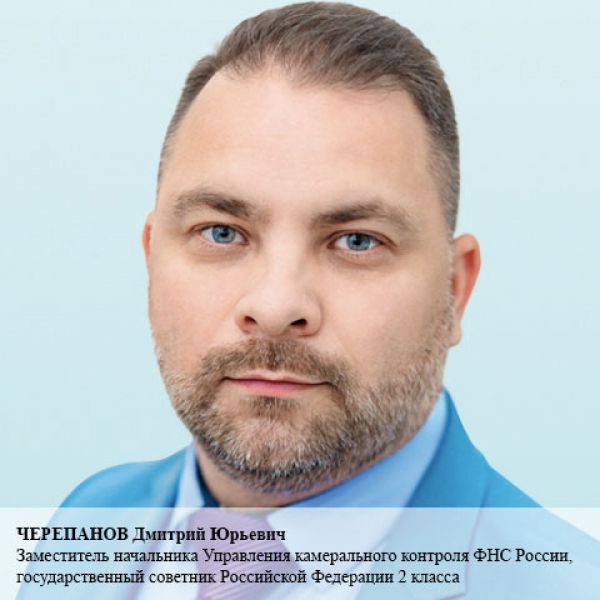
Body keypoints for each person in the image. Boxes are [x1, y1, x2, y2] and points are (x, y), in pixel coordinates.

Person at [61, 1, 533, 511]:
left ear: (455, 290)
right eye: (221, 233)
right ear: (152, 259)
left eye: (357, 241)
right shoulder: (88, 517)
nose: (275, 307)